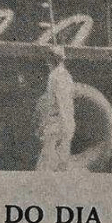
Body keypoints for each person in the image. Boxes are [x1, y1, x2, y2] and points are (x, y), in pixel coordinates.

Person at [35, 42, 76, 172]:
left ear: (50, 60)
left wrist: (43, 124)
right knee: (61, 163)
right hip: (66, 122)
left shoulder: (54, 77)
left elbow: (57, 102)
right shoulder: (67, 76)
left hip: (56, 124)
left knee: (45, 166)